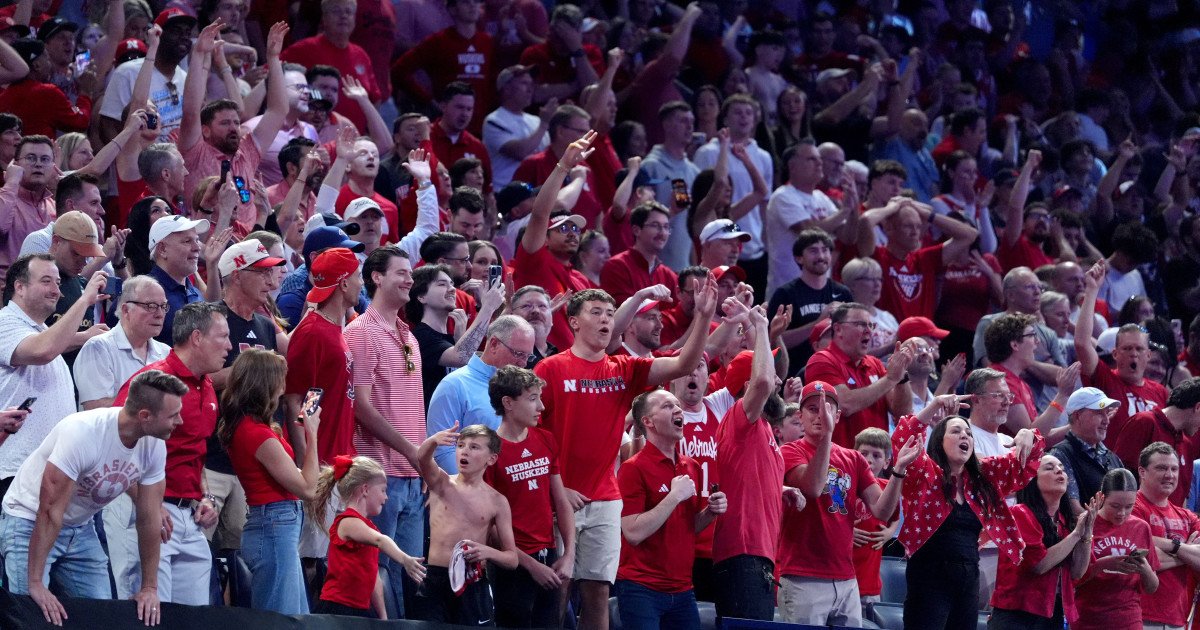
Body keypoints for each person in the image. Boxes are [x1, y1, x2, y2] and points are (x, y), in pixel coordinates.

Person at [534, 278, 717, 629]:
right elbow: (532, 437)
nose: (605, 319)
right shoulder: (551, 368)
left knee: (598, 595)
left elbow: (682, 364)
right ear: (574, 322)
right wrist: (555, 489)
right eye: (596, 313)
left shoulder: (624, 369)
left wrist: (703, 316)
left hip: (605, 498)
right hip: (560, 497)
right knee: (557, 591)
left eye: (608, 313)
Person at [0, 370, 187, 627]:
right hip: (29, 520)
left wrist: (149, 588)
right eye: (173, 415)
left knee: (99, 617)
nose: (181, 421)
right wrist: (35, 582)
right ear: (145, 416)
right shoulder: (83, 432)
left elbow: (149, 517)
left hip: (79, 527)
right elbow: (50, 511)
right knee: (29, 616)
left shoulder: (154, 444)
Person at [108, 302, 230, 605]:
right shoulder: (151, 383)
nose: (229, 346)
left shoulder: (207, 387)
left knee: (194, 616)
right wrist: (146, 503)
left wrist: (206, 497)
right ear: (197, 337)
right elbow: (114, 447)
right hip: (147, 508)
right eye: (223, 336)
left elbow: (195, 452)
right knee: (146, 612)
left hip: (188, 515)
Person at [890, 396, 1043, 629]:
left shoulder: (983, 479)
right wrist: (934, 404)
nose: (965, 436)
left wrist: (1029, 435)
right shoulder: (926, 473)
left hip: (969, 576)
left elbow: (1026, 465)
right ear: (939, 441)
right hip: (929, 574)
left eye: (969, 433)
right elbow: (904, 436)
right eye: (956, 431)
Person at [777, 381, 919, 626]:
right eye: (813, 408)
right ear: (800, 416)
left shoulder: (853, 458)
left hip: (846, 578)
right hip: (803, 578)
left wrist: (898, 471)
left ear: (838, 415)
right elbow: (812, 487)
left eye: (827, 408)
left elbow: (881, 510)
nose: (821, 414)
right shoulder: (790, 451)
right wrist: (827, 437)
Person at [342, 245, 426, 618]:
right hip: (379, 473)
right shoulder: (360, 331)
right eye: (401, 272)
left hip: (410, 473)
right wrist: (411, 450)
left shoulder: (410, 336)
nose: (410, 279)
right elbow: (359, 406)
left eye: (410, 273)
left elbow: (413, 406)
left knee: (412, 572)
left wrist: (419, 460)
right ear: (376, 277)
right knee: (377, 569)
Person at [614, 387, 729, 628]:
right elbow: (633, 532)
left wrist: (710, 511)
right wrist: (673, 497)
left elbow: (690, 526)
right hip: (640, 588)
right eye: (667, 406)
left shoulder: (692, 466)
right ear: (648, 421)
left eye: (677, 405)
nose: (677, 409)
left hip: (683, 589)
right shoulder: (633, 469)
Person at [219, 348, 321, 614]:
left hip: (276, 525)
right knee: (283, 618)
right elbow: (309, 488)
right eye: (281, 379)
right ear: (266, 383)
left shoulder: (252, 428)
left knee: (296, 615)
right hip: (274, 527)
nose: (284, 387)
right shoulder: (255, 434)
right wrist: (312, 434)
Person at [710, 299, 792, 621]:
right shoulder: (741, 418)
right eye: (770, 370)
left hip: (758, 553)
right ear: (748, 388)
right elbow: (762, 382)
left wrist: (782, 491)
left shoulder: (763, 430)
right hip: (742, 552)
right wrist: (759, 327)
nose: (777, 380)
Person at [0, 256, 105, 496]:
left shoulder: (38, 328)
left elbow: (51, 343)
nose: (56, 290)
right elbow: (43, 350)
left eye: (58, 283)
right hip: (16, 475)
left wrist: (84, 336)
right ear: (19, 287)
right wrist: (84, 300)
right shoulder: (4, 323)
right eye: (46, 281)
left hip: (52, 472)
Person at [485, 366, 576, 628]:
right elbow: (489, 527)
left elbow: (561, 501)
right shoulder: (489, 451)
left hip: (549, 556)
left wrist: (568, 554)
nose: (542, 407)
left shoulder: (545, 439)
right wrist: (530, 565)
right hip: (511, 565)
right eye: (533, 398)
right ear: (508, 403)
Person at [414, 423, 519, 624]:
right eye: (461, 445)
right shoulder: (442, 483)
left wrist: (487, 552)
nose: (465, 451)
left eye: (474, 447)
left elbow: (512, 559)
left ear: (492, 458)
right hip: (435, 579)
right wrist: (433, 441)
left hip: (472, 582)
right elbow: (422, 457)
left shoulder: (497, 501)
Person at [310, 455, 428, 618]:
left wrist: (383, 616)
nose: (386, 497)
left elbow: (374, 577)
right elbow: (381, 540)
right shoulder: (348, 521)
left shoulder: (368, 528)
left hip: (359, 611)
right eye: (383, 490)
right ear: (365, 489)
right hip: (339, 609)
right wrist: (404, 559)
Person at [511, 130, 596, 351]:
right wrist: (563, 167)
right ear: (545, 239)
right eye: (563, 228)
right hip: (535, 359)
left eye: (575, 228)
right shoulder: (535, 262)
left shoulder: (581, 279)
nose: (572, 233)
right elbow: (540, 214)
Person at [988, 454, 1096, 629]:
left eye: (1061, 467)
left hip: (1053, 612)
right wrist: (1076, 534)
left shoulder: (1064, 520)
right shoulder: (1020, 513)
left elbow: (1077, 572)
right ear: (1032, 479)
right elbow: (1039, 565)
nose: (1059, 470)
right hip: (1017, 615)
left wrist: (1087, 531)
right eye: (1049, 468)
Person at [1076, 259, 1168, 447]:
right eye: (1127, 348)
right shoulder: (1105, 380)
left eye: (1139, 349)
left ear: (1148, 355)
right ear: (1115, 354)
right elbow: (1082, 343)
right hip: (1115, 470)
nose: (1133, 354)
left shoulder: (1161, 392)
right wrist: (1092, 290)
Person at [427, 315, 536, 473]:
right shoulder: (454, 385)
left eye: (528, 356)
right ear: (494, 344)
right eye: (519, 354)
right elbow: (442, 450)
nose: (523, 363)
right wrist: (472, 489)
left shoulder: (522, 388)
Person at [804, 302, 914, 446]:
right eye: (861, 324)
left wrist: (901, 376)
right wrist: (890, 379)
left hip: (874, 462)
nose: (869, 330)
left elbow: (902, 413)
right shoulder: (821, 360)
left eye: (871, 325)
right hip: (837, 462)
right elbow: (845, 405)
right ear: (838, 329)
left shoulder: (875, 364)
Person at [1073, 469, 1160, 630]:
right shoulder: (1086, 524)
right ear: (1101, 497)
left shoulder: (1141, 527)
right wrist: (1101, 565)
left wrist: (1144, 569)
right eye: (1115, 506)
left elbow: (1152, 587)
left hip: (1128, 618)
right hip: (1088, 617)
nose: (1122, 513)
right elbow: (1073, 580)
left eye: (1129, 506)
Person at [407, 265, 505, 406]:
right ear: (422, 296)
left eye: (452, 284)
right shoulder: (420, 337)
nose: (452, 289)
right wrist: (487, 307)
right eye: (442, 284)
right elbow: (461, 357)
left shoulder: (450, 338)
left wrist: (460, 338)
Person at [73, 275, 171, 409]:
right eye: (151, 306)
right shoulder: (98, 348)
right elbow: (95, 408)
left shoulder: (166, 352)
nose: (160, 314)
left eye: (163, 306)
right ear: (126, 310)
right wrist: (154, 401)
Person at [1132, 442, 1200, 630]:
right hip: (1137, 616)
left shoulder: (1187, 516)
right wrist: (1186, 552)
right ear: (1142, 471)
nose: (1169, 475)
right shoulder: (1131, 508)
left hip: (1177, 618)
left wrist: (1172, 546)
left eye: (1174, 469)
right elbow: (1136, 557)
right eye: (1161, 468)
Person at [768, 228, 853, 373]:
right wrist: (817, 323)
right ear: (799, 258)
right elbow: (773, 341)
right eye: (813, 251)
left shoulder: (843, 292)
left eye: (825, 250)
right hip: (796, 374)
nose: (821, 256)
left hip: (838, 372)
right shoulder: (786, 294)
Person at [1113, 378, 1200, 507]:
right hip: (1138, 520)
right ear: (1198, 407)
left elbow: (1182, 500)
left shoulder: (1186, 444)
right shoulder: (1144, 422)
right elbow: (1118, 475)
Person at [1049, 387, 1125, 516]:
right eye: (1099, 413)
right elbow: (1074, 511)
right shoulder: (1060, 455)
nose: (1106, 420)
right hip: (1086, 534)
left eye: (1107, 413)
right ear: (1078, 416)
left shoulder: (1114, 458)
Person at [851, 428, 900, 611]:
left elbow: (895, 517)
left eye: (876, 455)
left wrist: (889, 532)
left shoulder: (888, 489)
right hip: (842, 578)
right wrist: (845, 531)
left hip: (869, 584)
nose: (869, 459)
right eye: (863, 453)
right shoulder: (845, 484)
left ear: (887, 462)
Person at [483, 65, 551, 189]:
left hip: (535, 192)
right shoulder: (494, 120)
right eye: (524, 83)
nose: (530, 89)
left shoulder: (536, 120)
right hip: (506, 193)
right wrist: (544, 124)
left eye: (531, 84)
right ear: (506, 88)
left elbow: (548, 153)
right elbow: (520, 152)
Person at [599, 201, 679, 306]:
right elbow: (622, 313)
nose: (663, 233)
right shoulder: (616, 267)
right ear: (636, 230)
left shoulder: (669, 275)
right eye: (656, 225)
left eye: (666, 227)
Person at [0, 137, 57, 283]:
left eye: (45, 159)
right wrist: (12, 181)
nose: (38, 164)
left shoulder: (55, 206)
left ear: (53, 166)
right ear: (16, 164)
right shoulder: (5, 197)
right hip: (6, 295)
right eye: (31, 158)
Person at [146, 215, 210, 345]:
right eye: (187, 241)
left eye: (196, 240)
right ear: (163, 249)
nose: (197, 247)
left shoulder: (196, 293)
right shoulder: (141, 293)